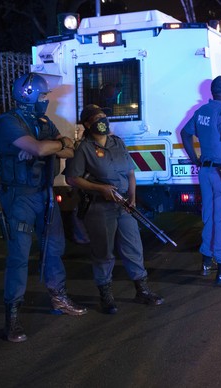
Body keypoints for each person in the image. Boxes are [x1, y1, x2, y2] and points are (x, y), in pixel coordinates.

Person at [0, 73, 87, 343]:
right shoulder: (8, 122)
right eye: (43, 95)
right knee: (19, 258)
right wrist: (43, 148)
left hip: (44, 194)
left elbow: (70, 149)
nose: (46, 100)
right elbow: (38, 147)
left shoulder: (43, 121)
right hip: (19, 197)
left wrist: (51, 147)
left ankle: (59, 299)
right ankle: (12, 318)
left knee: (54, 249)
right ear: (28, 94)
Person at [64, 104, 163, 314]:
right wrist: (100, 188)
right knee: (103, 252)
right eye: (97, 118)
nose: (103, 121)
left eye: (104, 116)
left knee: (133, 247)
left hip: (124, 206)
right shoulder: (84, 149)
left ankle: (142, 290)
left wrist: (133, 198)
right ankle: (106, 295)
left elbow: (130, 173)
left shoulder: (117, 143)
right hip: (99, 208)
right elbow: (72, 178)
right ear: (88, 124)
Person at [181, 75, 221, 284]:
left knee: (209, 216)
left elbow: (185, 133)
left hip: (206, 172)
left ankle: (207, 262)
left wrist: (195, 159)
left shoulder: (201, 112)